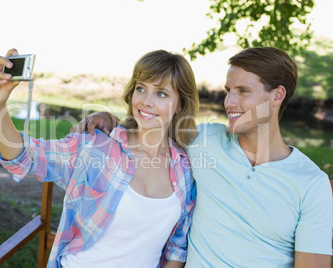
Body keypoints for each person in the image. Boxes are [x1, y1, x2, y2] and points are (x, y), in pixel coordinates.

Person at [72, 47, 333, 267]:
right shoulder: (204, 141)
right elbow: (151, 128)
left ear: (277, 95)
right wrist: (109, 120)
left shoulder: (311, 184)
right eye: (228, 90)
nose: (229, 102)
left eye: (243, 91)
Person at [0, 48, 200, 268]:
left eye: (161, 93)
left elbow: (177, 248)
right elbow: (25, 157)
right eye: (141, 88)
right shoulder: (97, 146)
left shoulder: (185, 169)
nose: (146, 101)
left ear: (181, 104)